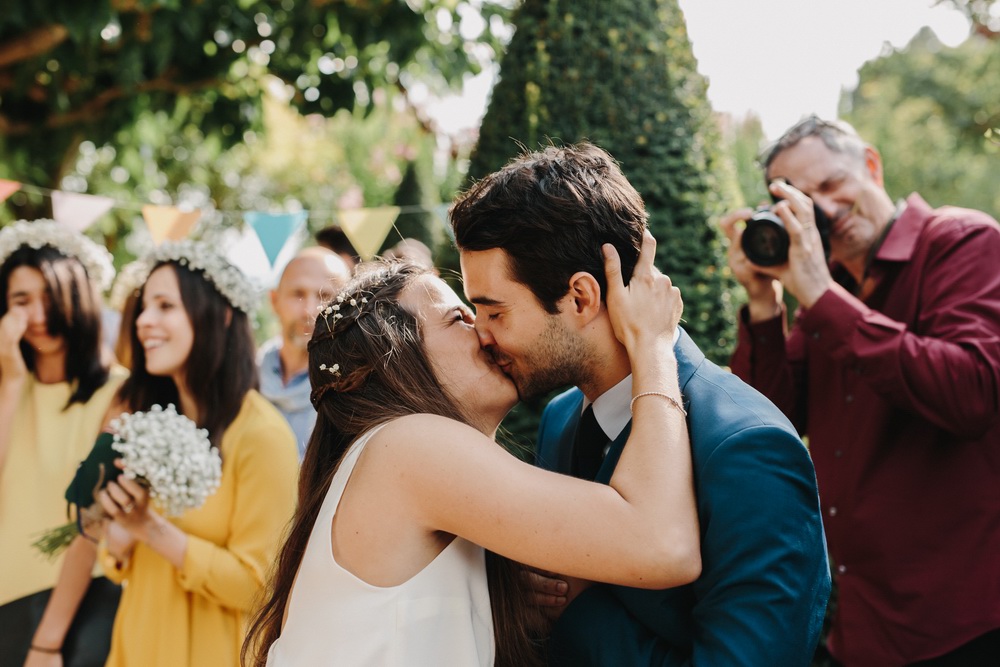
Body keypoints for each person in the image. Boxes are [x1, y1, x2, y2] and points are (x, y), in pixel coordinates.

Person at [451, 143, 831, 666]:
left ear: (580, 298)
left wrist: (577, 610)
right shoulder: (562, 419)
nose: (481, 336)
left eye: (493, 312)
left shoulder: (748, 447)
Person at [245, 241, 702, 666]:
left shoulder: (394, 455)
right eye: (460, 319)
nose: (486, 332)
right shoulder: (410, 446)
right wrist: (654, 347)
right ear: (396, 352)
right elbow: (665, 547)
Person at [721, 116, 1000, 666]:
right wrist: (764, 302)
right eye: (803, 199)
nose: (824, 208)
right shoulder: (828, 296)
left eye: (831, 185)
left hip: (965, 622)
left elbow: (971, 392)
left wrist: (821, 296)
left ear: (871, 164)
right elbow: (769, 421)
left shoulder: (964, 241)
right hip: (861, 627)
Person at [54, 240, 299, 667]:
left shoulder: (261, 435)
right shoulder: (143, 421)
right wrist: (119, 530)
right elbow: (118, 562)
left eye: (165, 306)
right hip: (136, 645)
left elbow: (261, 588)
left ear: (221, 316)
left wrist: (150, 528)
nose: (145, 321)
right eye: (145, 307)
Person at [0, 219, 126, 666]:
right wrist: (12, 382)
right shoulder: (6, 389)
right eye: (21, 300)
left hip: (79, 611)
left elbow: (89, 526)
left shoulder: (119, 395)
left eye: (51, 297)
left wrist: (47, 641)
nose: (38, 315)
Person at [258, 247, 351, 458]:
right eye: (298, 295)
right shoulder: (246, 376)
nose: (310, 310)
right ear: (274, 300)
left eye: (325, 295)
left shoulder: (353, 392)